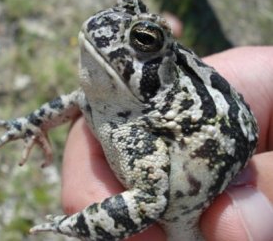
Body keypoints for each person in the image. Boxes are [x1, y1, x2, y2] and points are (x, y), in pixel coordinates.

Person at [61, 46, 273, 241]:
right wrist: (33, 124)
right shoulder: (119, 101)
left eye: (143, 38)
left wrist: (73, 225)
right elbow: (78, 98)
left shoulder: (144, 131)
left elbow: (148, 200)